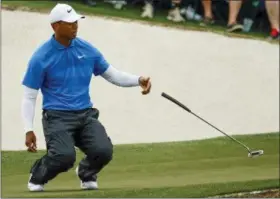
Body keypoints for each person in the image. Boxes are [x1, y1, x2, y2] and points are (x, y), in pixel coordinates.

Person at [22, 3, 152, 192]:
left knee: (104, 151)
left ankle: (86, 173)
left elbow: (112, 74)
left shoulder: (87, 49)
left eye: (76, 21)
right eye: (69, 23)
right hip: (57, 117)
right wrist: (28, 129)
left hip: (85, 115)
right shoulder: (41, 57)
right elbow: (29, 96)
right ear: (55, 26)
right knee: (64, 156)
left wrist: (137, 80)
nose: (75, 25)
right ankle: (37, 176)